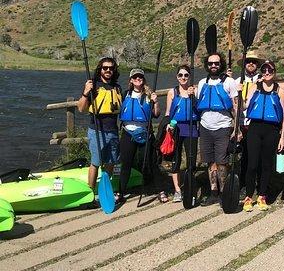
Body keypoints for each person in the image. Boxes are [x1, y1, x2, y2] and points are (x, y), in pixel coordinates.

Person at [242, 60, 284, 212]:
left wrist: (282, 137)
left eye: (270, 70)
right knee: (252, 164)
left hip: (272, 130)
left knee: (266, 165)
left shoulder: (279, 90)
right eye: (264, 70)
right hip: (254, 128)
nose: (267, 72)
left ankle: (262, 196)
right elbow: (245, 105)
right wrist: (240, 96)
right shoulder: (255, 87)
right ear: (261, 72)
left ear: (274, 72)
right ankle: (248, 196)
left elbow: (283, 114)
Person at [197, 52, 238, 206]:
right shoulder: (202, 83)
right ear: (206, 66)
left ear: (221, 64)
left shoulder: (229, 82)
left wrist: (237, 128)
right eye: (210, 63)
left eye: (216, 63)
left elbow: (235, 105)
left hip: (223, 126)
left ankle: (223, 193)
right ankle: (213, 193)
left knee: (222, 162)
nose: (213, 66)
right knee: (210, 162)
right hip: (205, 126)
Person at [77, 57, 122, 193]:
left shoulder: (117, 88)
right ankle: (91, 192)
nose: (108, 70)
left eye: (111, 68)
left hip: (112, 130)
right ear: (100, 69)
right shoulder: (93, 86)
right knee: (95, 162)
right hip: (97, 130)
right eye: (105, 68)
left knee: (110, 162)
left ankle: (105, 190)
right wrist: (85, 92)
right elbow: (81, 109)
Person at [118, 69, 160, 203]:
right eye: (135, 77)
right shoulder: (125, 95)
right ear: (130, 80)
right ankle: (121, 192)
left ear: (143, 79)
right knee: (126, 163)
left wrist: (156, 102)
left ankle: (160, 190)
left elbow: (156, 114)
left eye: (140, 77)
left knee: (150, 162)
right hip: (128, 132)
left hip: (144, 132)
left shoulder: (149, 95)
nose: (137, 79)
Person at [164, 65, 199, 202]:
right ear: (177, 77)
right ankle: (177, 190)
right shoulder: (172, 92)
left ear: (189, 77)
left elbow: (199, 108)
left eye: (186, 75)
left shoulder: (194, 91)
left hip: (191, 128)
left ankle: (191, 187)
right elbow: (168, 112)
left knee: (191, 160)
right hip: (176, 129)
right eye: (180, 75)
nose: (183, 78)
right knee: (176, 160)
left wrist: (193, 97)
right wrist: (168, 125)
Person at [235, 50, 265, 198]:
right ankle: (244, 185)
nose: (251, 64)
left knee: (259, 157)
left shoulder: (263, 80)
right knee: (245, 157)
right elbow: (234, 104)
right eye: (248, 61)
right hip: (242, 123)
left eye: (254, 61)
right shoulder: (237, 82)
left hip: (258, 123)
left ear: (258, 64)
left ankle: (261, 187)